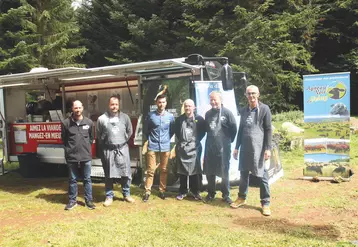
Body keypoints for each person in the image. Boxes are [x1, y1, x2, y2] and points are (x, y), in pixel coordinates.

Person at [231, 85, 272, 216]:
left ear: (258, 94)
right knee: (243, 174)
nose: (251, 96)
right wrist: (237, 147)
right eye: (249, 94)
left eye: (253, 93)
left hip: (259, 149)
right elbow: (241, 130)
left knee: (262, 175)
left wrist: (268, 148)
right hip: (245, 148)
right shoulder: (243, 111)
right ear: (246, 95)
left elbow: (268, 129)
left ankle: (265, 202)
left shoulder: (265, 109)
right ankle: (241, 197)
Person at [97, 96, 135, 206]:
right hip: (108, 150)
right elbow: (99, 135)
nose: (114, 106)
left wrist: (121, 141)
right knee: (108, 174)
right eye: (112, 104)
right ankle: (109, 196)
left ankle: (126, 194)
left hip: (122, 149)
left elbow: (129, 131)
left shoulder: (125, 118)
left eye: (116, 104)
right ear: (109, 105)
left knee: (125, 173)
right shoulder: (102, 119)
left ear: (119, 105)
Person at [203, 91, 237, 205]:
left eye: (215, 99)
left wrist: (228, 141)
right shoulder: (207, 114)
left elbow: (234, 129)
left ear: (220, 100)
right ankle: (211, 194)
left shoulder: (227, 113)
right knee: (210, 171)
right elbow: (206, 129)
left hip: (223, 147)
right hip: (210, 146)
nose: (213, 102)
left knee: (224, 171)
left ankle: (226, 195)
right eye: (211, 100)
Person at [62, 100, 95, 210]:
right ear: (72, 109)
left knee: (87, 179)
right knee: (72, 179)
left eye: (79, 107)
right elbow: (64, 139)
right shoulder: (66, 123)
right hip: (72, 156)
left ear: (83, 108)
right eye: (75, 108)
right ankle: (72, 201)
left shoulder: (89, 122)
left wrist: (85, 147)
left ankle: (89, 201)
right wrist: (71, 149)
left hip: (86, 155)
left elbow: (91, 138)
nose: (78, 110)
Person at [142, 94, 174, 202]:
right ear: (156, 103)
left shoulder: (170, 117)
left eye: (163, 102)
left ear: (166, 103)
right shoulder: (151, 116)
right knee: (150, 170)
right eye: (159, 102)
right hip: (153, 145)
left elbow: (172, 130)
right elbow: (146, 130)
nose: (161, 104)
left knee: (164, 170)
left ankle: (162, 190)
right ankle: (147, 191)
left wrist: (166, 139)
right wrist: (150, 139)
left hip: (165, 146)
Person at [173, 99, 206, 201]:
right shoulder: (179, 120)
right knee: (182, 171)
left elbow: (202, 132)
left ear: (194, 107)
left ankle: (195, 191)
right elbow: (177, 133)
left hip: (195, 148)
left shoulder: (200, 119)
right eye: (186, 106)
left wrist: (193, 142)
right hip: (182, 148)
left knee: (194, 170)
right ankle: (182, 191)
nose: (188, 108)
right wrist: (184, 142)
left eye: (190, 106)